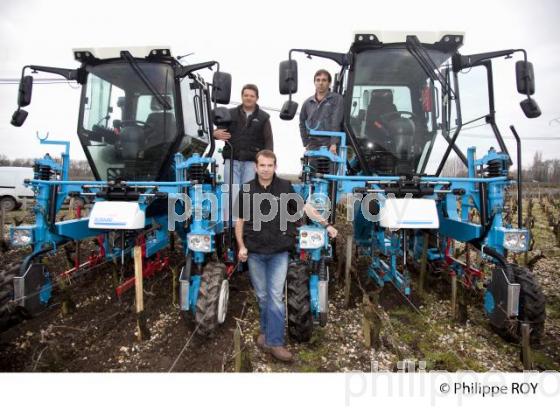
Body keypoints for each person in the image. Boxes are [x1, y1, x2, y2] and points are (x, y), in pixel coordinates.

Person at [235, 150, 337, 362]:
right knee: (262, 297)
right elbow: (240, 222)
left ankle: (275, 343)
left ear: (275, 167)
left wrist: (326, 225)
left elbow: (305, 207)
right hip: (254, 252)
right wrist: (241, 246)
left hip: (279, 252)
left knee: (275, 296)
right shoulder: (246, 190)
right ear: (256, 167)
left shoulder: (284, 187)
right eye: (262, 165)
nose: (265, 169)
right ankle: (265, 333)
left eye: (269, 165)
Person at [213, 84, 273, 225]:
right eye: (246, 95)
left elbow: (268, 140)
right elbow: (217, 132)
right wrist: (215, 134)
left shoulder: (263, 118)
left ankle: (244, 227)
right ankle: (231, 228)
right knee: (231, 193)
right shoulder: (230, 114)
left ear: (257, 98)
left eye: (252, 96)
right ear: (242, 96)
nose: (248, 98)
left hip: (251, 162)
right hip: (232, 159)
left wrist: (268, 160)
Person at [299, 69, 344, 154]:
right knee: (312, 167)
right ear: (314, 82)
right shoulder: (307, 103)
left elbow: (336, 122)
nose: (320, 83)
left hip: (330, 144)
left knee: (329, 167)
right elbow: (302, 123)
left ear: (329, 83)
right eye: (318, 80)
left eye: (324, 80)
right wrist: (305, 142)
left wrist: (334, 143)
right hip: (313, 144)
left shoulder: (337, 99)